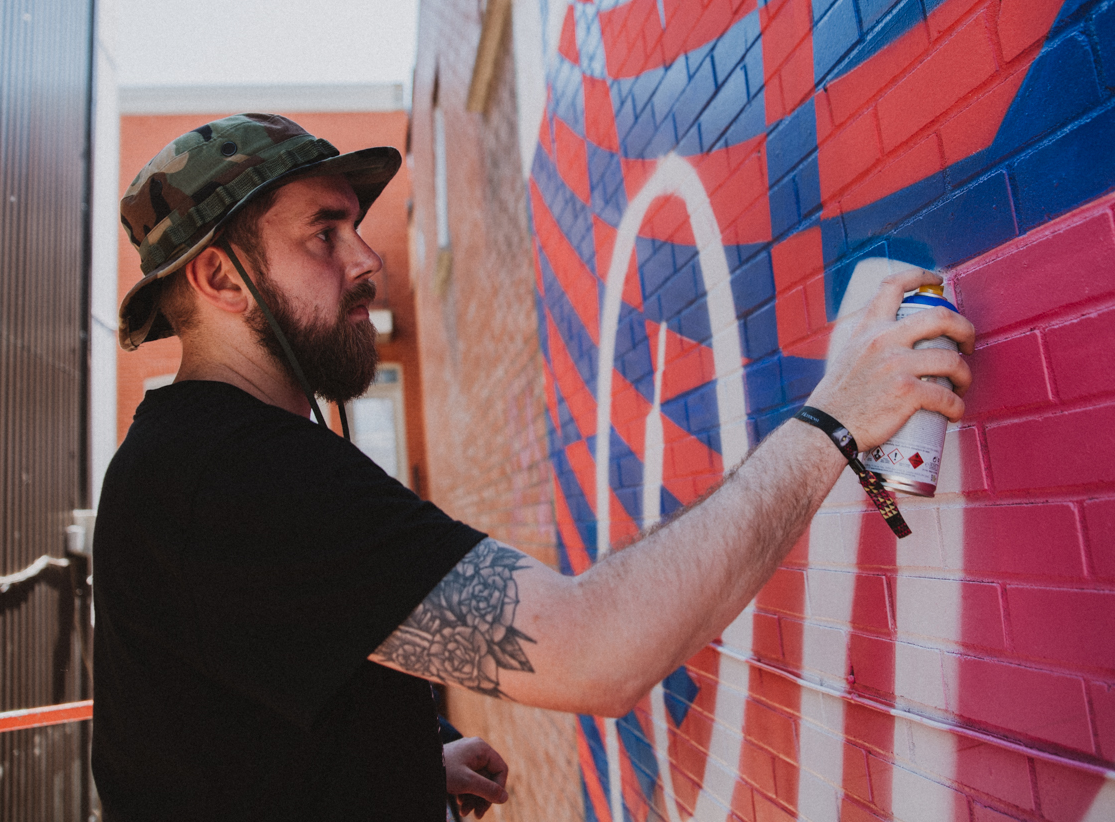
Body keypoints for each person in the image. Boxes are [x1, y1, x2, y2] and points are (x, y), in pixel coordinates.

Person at [93, 114, 973, 821]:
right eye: (324, 234)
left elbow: (242, 722)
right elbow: (597, 654)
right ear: (222, 279)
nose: (368, 260)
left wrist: (404, 767)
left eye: (356, 226)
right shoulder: (235, 474)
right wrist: (834, 420)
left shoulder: (204, 461)